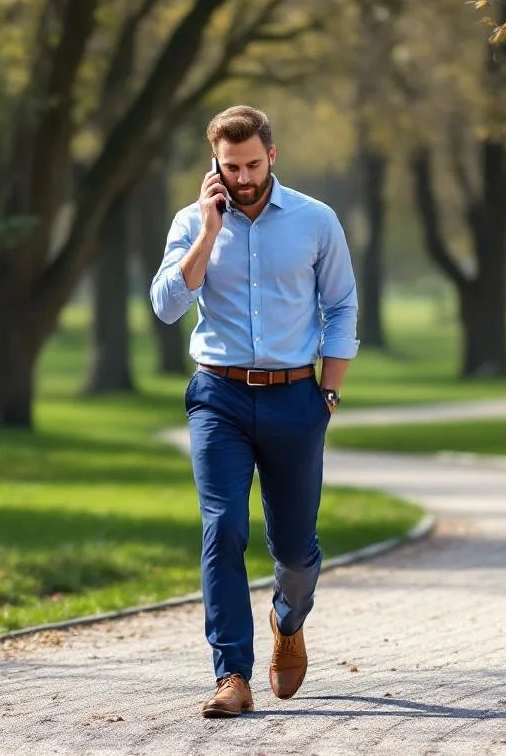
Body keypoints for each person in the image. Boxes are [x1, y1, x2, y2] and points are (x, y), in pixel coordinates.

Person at [149, 105, 359, 718]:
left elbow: (342, 306)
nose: (241, 177)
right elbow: (165, 306)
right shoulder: (191, 222)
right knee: (223, 528)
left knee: (296, 550)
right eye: (229, 165)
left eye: (250, 163)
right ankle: (231, 675)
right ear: (215, 162)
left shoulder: (316, 220)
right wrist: (209, 235)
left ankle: (288, 621)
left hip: (297, 395)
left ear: (272, 154)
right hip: (219, 395)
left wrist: (328, 392)